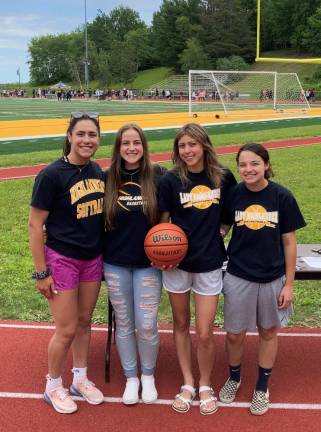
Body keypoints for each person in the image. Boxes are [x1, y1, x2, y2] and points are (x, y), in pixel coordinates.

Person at [218, 143, 306, 416]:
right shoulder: (233, 194)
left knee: (268, 331)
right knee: (234, 333)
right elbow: (222, 228)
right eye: (243, 164)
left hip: (272, 276)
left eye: (254, 163)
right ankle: (234, 378)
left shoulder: (282, 196)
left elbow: (290, 243)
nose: (248, 169)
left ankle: (262, 386)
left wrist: (288, 285)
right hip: (238, 274)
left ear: (266, 164)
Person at [28, 112, 105, 414]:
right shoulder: (51, 175)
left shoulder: (97, 170)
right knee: (67, 329)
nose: (87, 140)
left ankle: (80, 379)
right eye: (81, 134)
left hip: (92, 259)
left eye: (93, 135)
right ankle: (52, 385)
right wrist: (41, 271)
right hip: (62, 259)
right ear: (70, 137)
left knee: (85, 322)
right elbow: (35, 225)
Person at [158, 123, 237, 415]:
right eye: (182, 146)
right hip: (177, 264)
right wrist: (166, 250)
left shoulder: (223, 177)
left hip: (209, 263)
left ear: (204, 144)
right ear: (177, 150)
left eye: (193, 144)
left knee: (204, 332)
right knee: (180, 324)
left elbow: (229, 216)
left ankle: (205, 384)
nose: (187, 150)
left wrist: (218, 233)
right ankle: (188, 382)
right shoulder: (170, 180)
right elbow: (163, 222)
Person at [103, 123, 165, 405]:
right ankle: (131, 378)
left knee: (148, 323)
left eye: (136, 142)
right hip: (115, 262)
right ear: (118, 147)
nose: (131, 148)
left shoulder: (159, 176)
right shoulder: (106, 179)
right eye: (125, 143)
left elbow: (173, 213)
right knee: (125, 323)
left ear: (144, 145)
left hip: (149, 263)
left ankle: (148, 376)